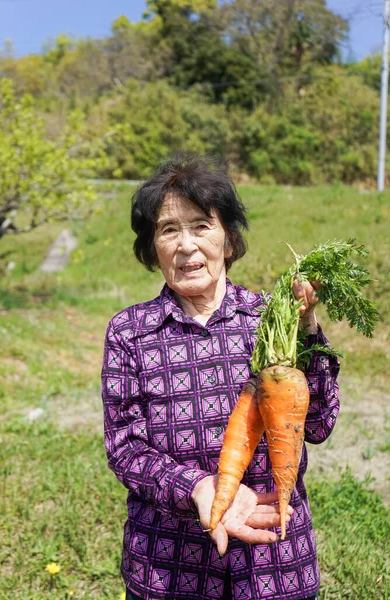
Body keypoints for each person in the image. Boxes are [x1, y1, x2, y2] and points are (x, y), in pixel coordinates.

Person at [101, 153, 340, 600]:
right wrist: (196, 487)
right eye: (169, 229)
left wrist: (308, 330)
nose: (186, 245)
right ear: (153, 248)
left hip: (274, 559)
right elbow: (125, 448)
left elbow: (320, 425)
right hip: (168, 563)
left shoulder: (273, 320)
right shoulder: (130, 332)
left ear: (229, 240)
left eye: (201, 225)